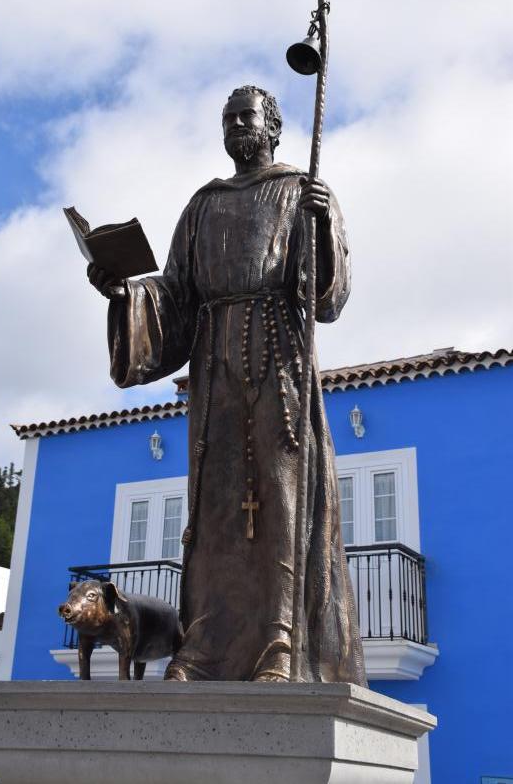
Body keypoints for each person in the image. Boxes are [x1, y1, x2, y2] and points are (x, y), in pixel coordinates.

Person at [88, 85, 366, 685]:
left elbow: (328, 298)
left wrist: (320, 223)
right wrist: (124, 294)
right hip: (213, 370)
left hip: (279, 360)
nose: (237, 125)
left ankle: (282, 642)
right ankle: (206, 644)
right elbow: (175, 293)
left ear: (273, 127)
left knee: (282, 496)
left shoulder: (301, 191)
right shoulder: (202, 205)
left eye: (247, 116)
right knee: (214, 506)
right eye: (228, 118)